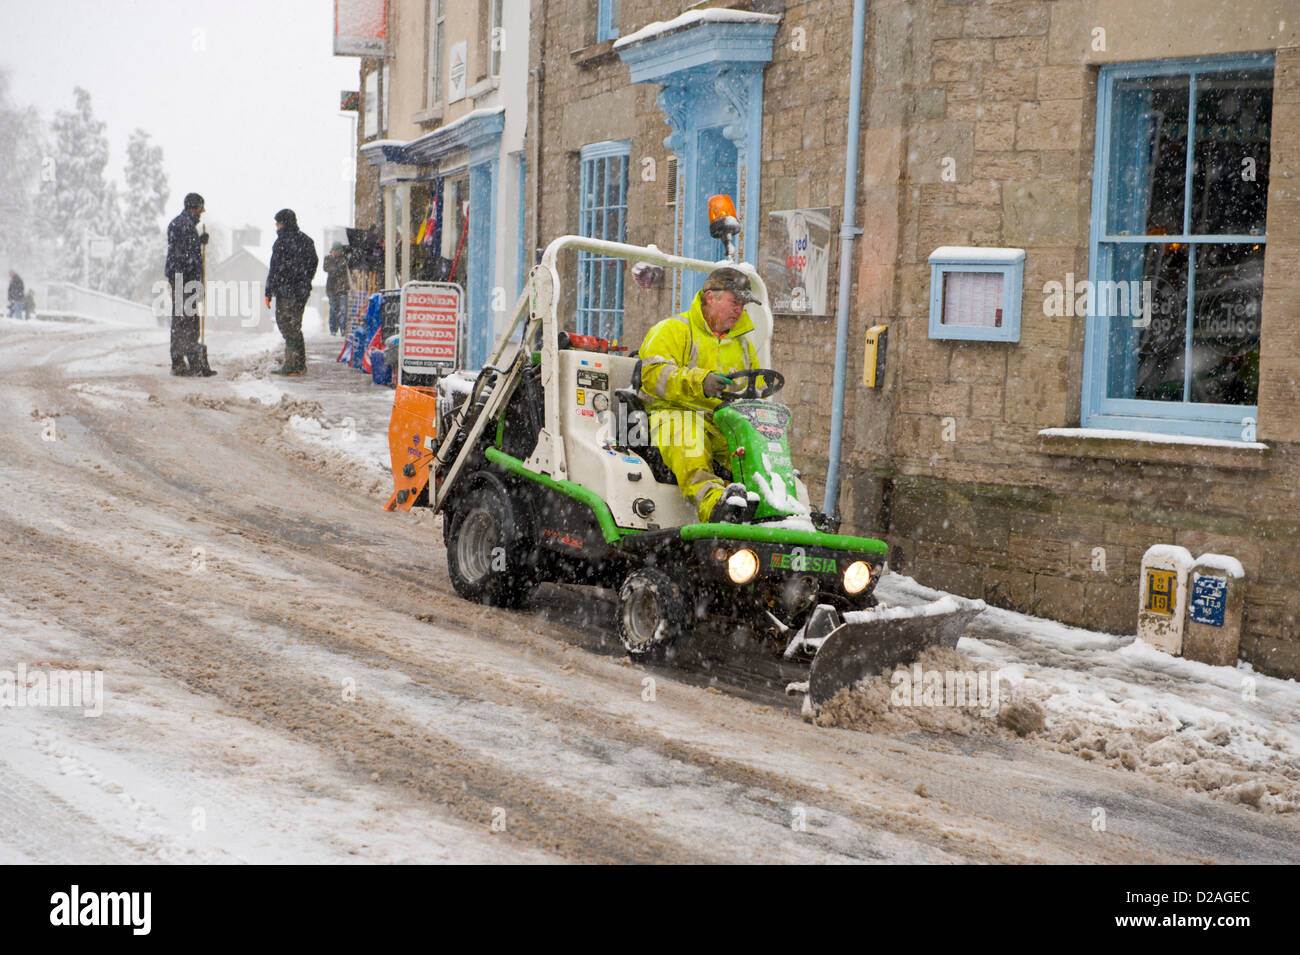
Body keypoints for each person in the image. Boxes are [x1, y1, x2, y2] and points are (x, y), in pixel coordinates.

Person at [638, 267, 765, 524]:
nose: (739, 310)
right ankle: (716, 505)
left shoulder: (743, 344)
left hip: (723, 422)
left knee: (757, 456)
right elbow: (652, 374)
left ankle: (772, 507)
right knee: (690, 443)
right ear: (711, 297)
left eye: (743, 304)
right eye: (734, 302)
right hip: (675, 412)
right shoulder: (673, 329)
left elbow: (757, 387)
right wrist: (701, 382)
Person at [164, 193, 216, 376]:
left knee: (189, 318)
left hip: (184, 278)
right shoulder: (182, 225)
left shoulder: (183, 225)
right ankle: (180, 362)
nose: (202, 212)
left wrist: (198, 242)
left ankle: (191, 360)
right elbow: (184, 255)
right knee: (183, 319)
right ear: (193, 207)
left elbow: (185, 250)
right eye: (201, 208)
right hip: (182, 279)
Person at [264, 209, 318, 376]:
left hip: (286, 291)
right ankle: (300, 364)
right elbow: (313, 263)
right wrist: (304, 280)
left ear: (284, 223)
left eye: (278, 223)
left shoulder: (281, 243)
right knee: (295, 325)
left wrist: (269, 291)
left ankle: (292, 365)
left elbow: (274, 268)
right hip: (301, 291)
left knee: (287, 326)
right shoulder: (306, 241)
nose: (276, 226)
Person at [323, 241, 348, 336]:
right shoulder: (328, 259)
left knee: (343, 309)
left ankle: (343, 329)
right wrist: (334, 261)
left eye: (339, 251)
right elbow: (327, 268)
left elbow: (341, 269)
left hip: (342, 288)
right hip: (331, 289)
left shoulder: (344, 259)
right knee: (334, 309)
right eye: (335, 251)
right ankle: (333, 329)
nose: (337, 253)